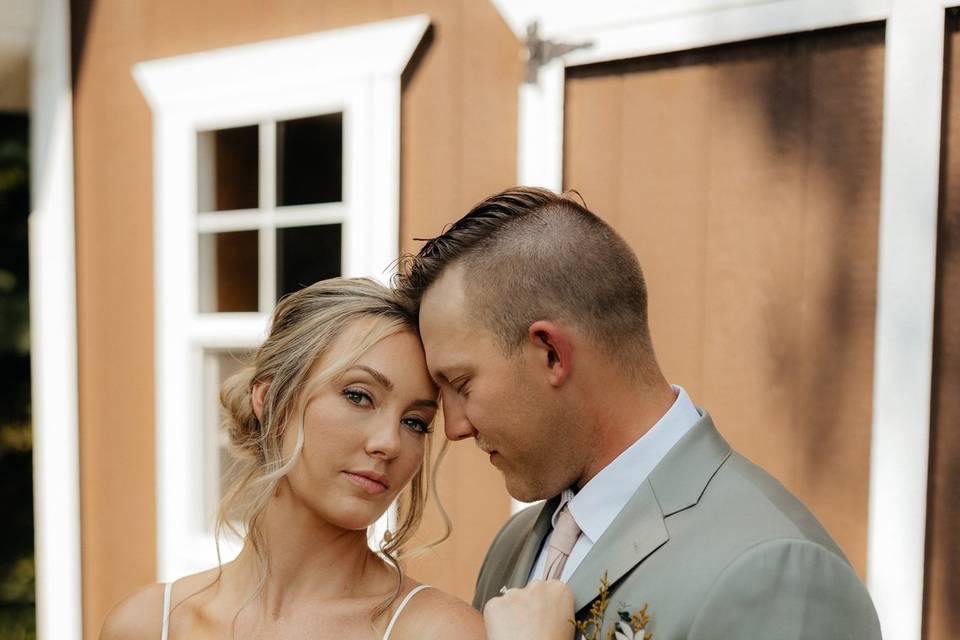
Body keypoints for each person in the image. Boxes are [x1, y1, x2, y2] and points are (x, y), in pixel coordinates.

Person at [395, 186, 883, 639]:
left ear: (551, 354)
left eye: (460, 384)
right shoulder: (515, 545)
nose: (455, 427)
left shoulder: (777, 569)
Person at [99, 278, 492, 640]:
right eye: (359, 395)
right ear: (270, 401)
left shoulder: (436, 631)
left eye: (415, 422)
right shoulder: (148, 624)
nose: (389, 443)